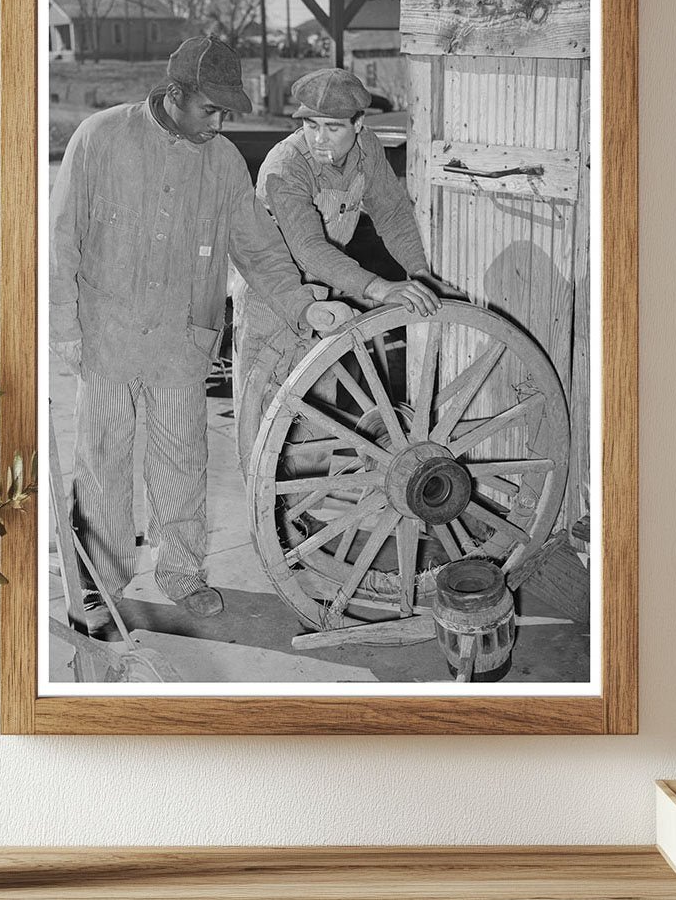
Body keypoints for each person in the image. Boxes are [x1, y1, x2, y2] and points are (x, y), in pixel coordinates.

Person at [49, 37, 352, 627]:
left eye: (225, 111)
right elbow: (62, 239)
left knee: (182, 463)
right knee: (102, 462)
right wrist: (64, 325)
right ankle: (100, 579)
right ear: (173, 94)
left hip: (182, 343)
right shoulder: (100, 138)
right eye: (209, 109)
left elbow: (258, 250)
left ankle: (182, 573)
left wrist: (301, 305)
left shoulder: (224, 163)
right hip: (105, 337)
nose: (219, 122)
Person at [233, 67, 452, 476]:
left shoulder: (367, 149)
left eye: (332, 128)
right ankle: (264, 519)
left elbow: (392, 213)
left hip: (327, 292)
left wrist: (419, 273)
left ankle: (301, 517)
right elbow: (308, 248)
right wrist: (379, 287)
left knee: (318, 412)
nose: (319, 139)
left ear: (358, 124)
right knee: (267, 418)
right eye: (311, 125)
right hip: (274, 298)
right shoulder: (285, 166)